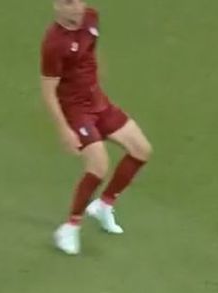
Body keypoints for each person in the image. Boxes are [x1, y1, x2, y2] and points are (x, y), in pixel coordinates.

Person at [40, 0, 153, 255]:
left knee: (141, 149)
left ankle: (104, 204)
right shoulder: (54, 43)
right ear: (57, 5)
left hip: (98, 103)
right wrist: (64, 130)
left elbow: (91, 49)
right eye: (69, 2)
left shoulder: (91, 18)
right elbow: (48, 91)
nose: (77, 7)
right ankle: (69, 227)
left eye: (80, 0)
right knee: (99, 166)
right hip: (76, 111)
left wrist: (96, 75)